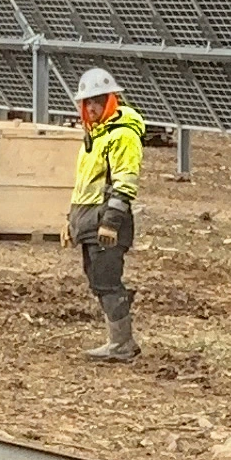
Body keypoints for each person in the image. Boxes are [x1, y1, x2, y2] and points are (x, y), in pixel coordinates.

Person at [67, 66, 144, 363]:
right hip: (90, 221)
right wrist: (70, 221)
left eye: (97, 101)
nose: (92, 107)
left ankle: (122, 344)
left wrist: (111, 223)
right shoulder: (96, 136)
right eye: (87, 102)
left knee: (107, 280)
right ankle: (119, 341)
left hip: (107, 223)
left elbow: (125, 181)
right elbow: (85, 184)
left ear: (112, 99)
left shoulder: (121, 135)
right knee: (99, 280)